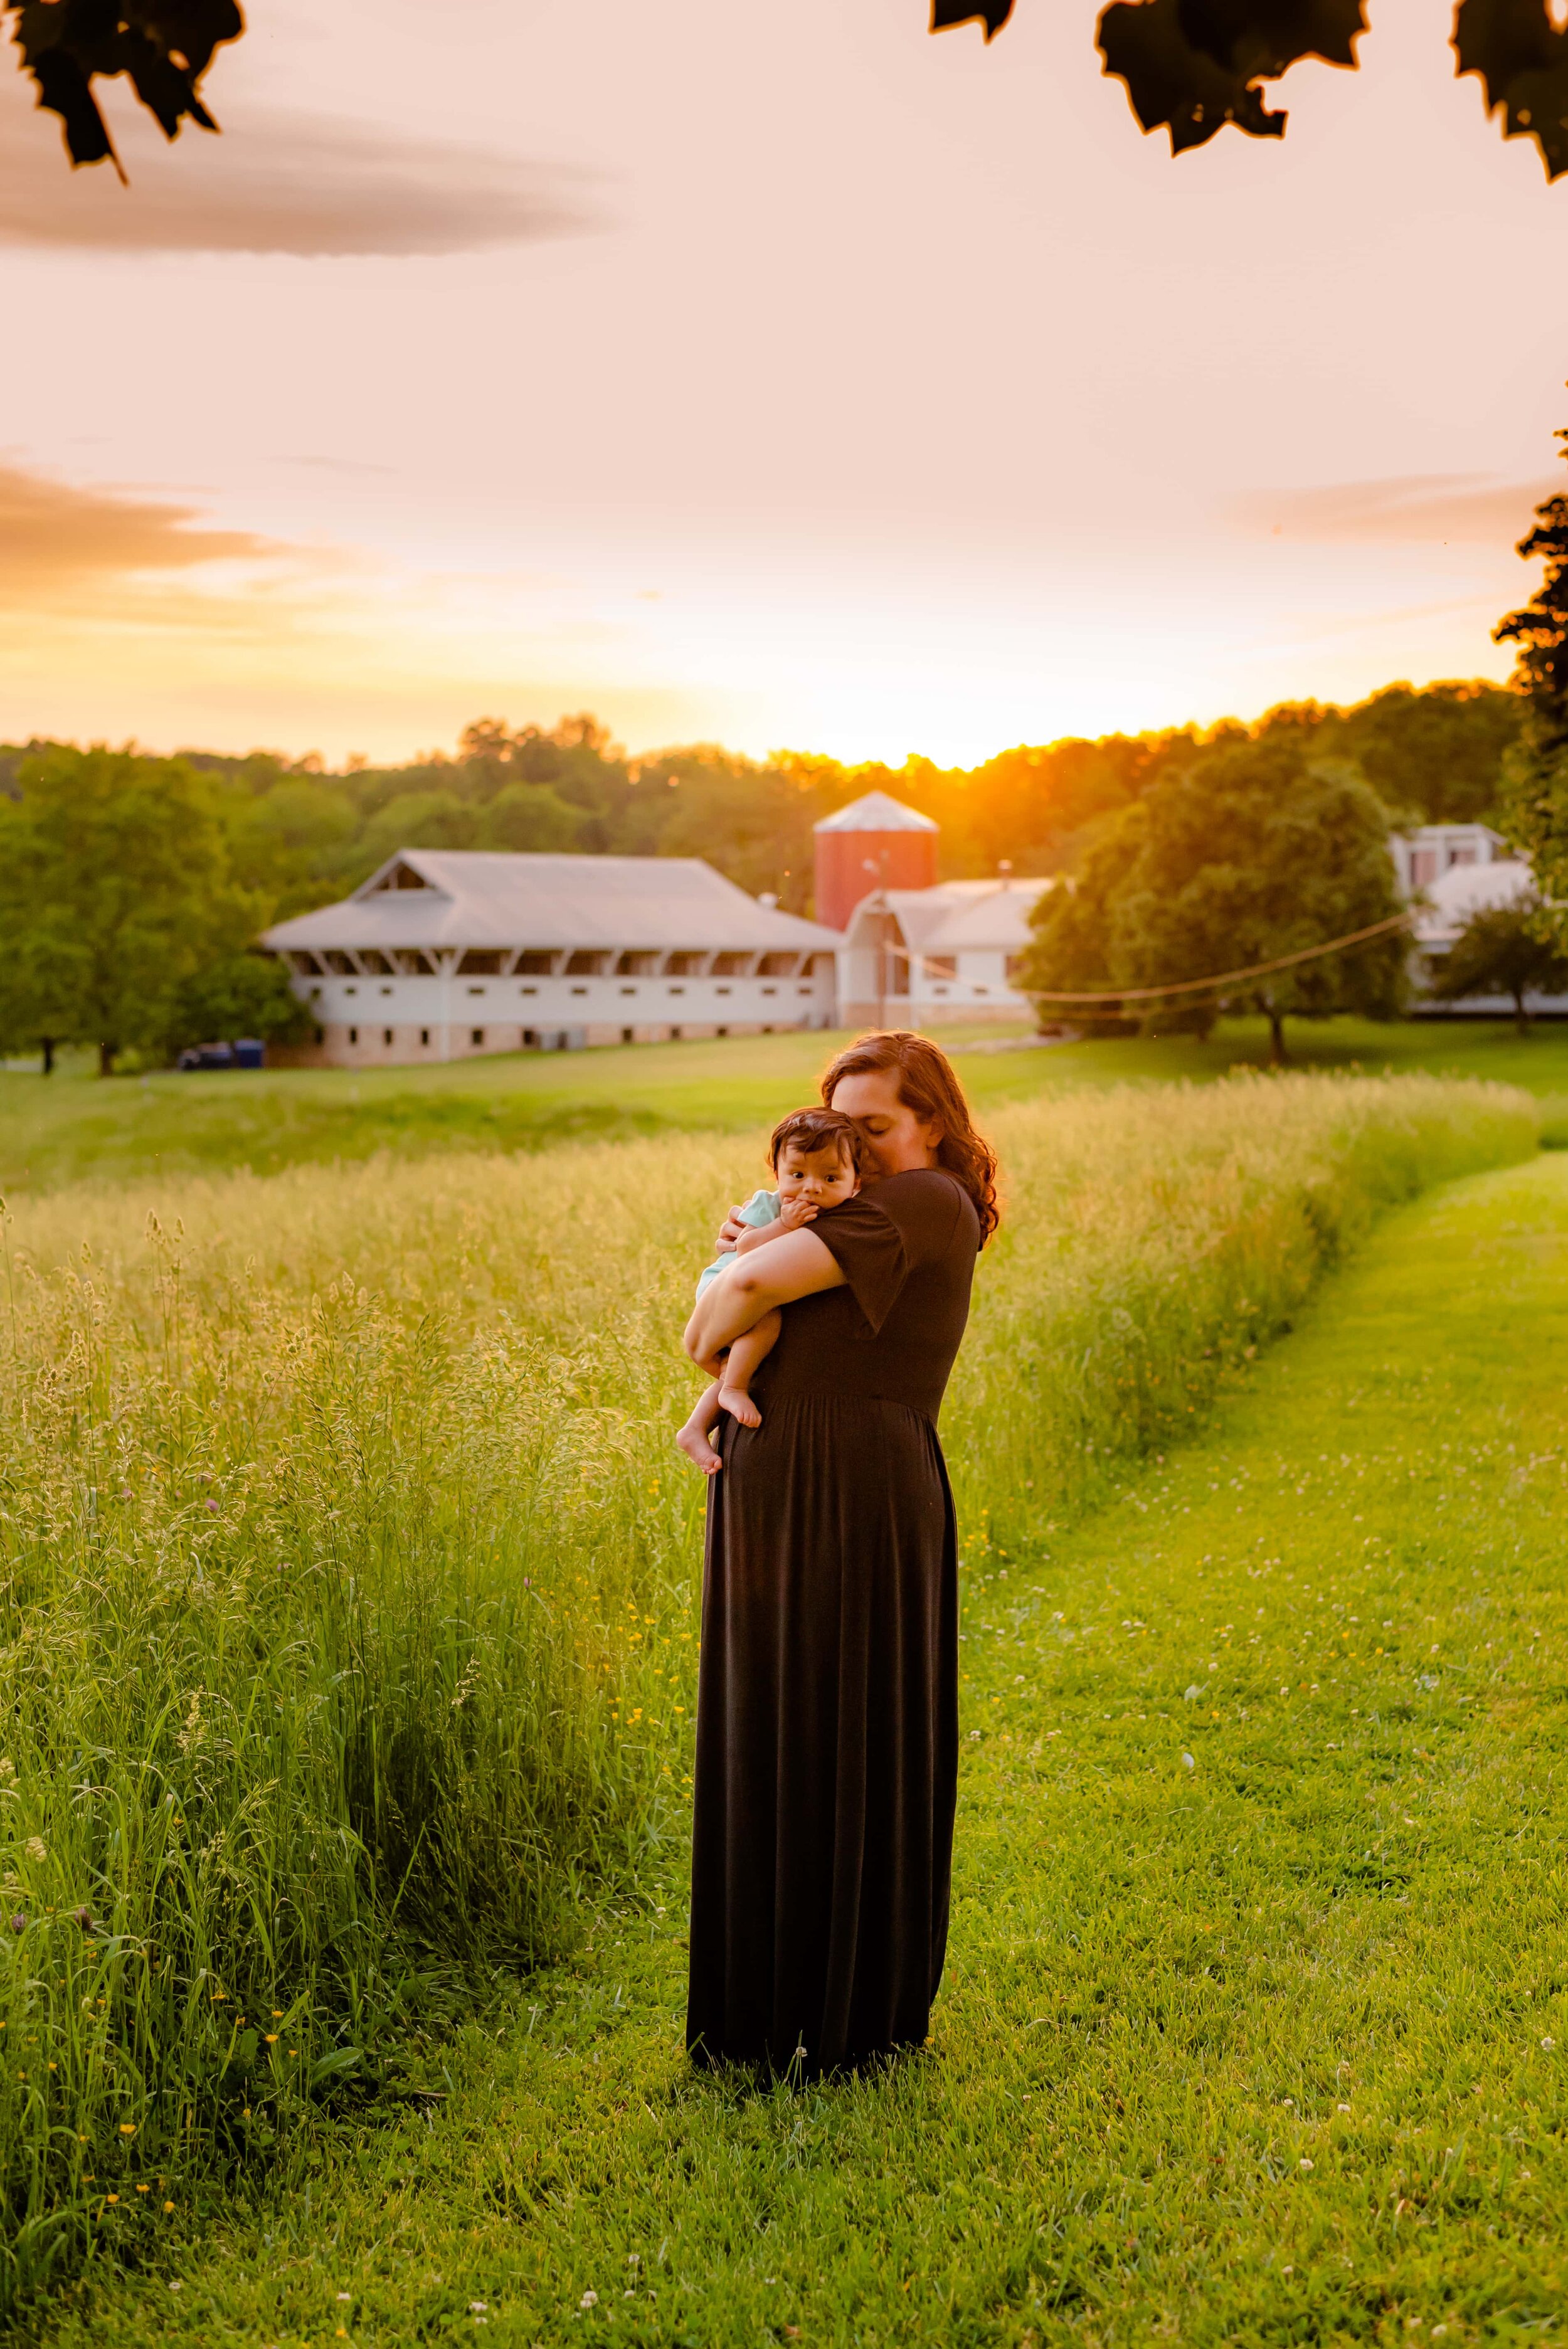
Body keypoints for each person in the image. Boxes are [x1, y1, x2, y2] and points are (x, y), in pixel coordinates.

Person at [682, 1029, 999, 2076]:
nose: (855, 1145)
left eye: (876, 1126)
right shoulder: (841, 1212)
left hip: (855, 1484)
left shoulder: (923, 1202)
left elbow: (709, 1320)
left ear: (932, 1126)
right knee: (771, 1723)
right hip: (778, 1476)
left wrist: (746, 1257)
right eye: (841, 1125)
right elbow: (725, 1321)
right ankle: (763, 2014)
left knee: (850, 1723)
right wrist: (751, 1260)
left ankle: (852, 2012)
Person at [675, 1108, 866, 1475]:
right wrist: (783, 1224)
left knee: (750, 1360)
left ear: (855, 1183)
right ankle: (731, 1391)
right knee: (766, 1326)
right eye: (797, 1174)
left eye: (830, 1177)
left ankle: (696, 1427)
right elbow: (745, 1249)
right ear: (777, 1173)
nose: (811, 1186)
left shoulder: (848, 1214)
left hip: (752, 1289)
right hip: (726, 1284)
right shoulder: (772, 1204)